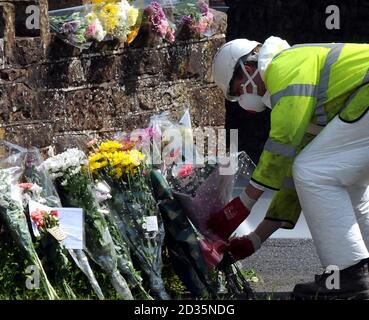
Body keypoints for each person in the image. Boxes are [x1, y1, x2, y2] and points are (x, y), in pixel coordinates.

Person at [208, 36, 369, 299]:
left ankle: (349, 276)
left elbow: (282, 141)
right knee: (341, 178)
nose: (241, 100)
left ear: (248, 69)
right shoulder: (307, 89)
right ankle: (356, 272)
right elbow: (295, 176)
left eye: (237, 91)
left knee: (314, 171)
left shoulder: (284, 66)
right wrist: (256, 238)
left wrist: (244, 203)